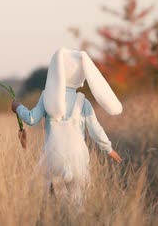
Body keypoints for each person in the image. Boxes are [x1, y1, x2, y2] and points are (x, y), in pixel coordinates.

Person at [11, 47, 123, 203]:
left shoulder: (48, 96)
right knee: (77, 201)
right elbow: (95, 129)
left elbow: (31, 119)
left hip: (53, 156)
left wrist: (18, 108)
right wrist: (108, 148)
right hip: (77, 157)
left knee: (50, 200)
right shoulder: (83, 102)